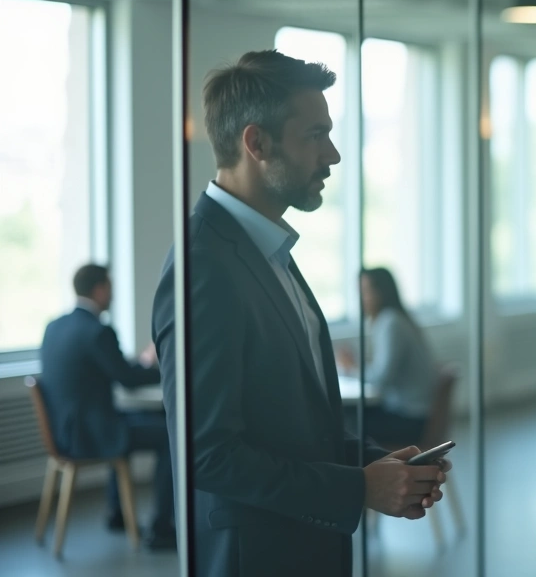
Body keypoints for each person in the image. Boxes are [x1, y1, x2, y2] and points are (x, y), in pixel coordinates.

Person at [151, 50, 448, 577]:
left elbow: (293, 427)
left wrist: (372, 465)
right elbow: (207, 454)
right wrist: (359, 487)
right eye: (315, 134)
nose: (332, 154)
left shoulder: (268, 254)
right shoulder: (206, 264)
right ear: (256, 142)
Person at [38, 264, 175, 549]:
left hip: (64, 433)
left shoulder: (55, 326)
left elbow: (118, 371)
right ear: (99, 289)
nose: (112, 294)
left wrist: (143, 363)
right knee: (169, 434)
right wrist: (165, 365)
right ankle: (162, 529)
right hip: (93, 435)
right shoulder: (98, 331)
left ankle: (117, 514)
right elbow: (128, 380)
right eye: (110, 287)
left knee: (140, 417)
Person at [338, 268, 438, 446]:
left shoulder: (390, 322)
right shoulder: (396, 318)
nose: (361, 299)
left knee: (345, 422)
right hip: (412, 413)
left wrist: (351, 367)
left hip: (408, 418)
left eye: (365, 292)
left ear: (380, 293)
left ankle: (363, 473)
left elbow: (381, 378)